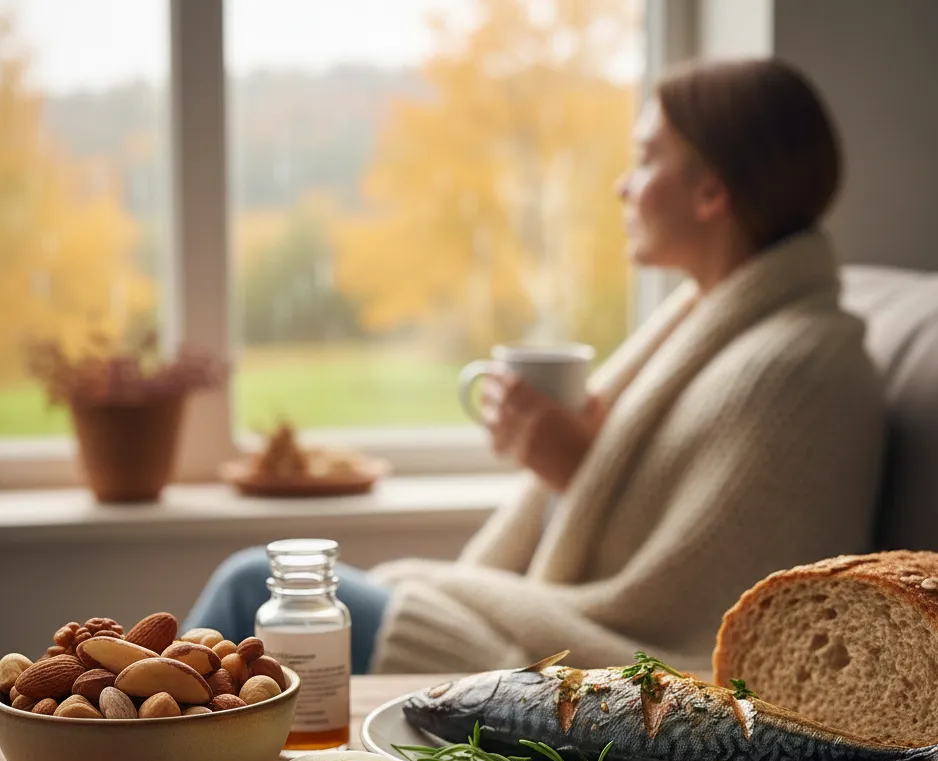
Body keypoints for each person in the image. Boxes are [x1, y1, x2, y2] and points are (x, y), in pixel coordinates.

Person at [185, 57, 886, 674]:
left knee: (256, 586)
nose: (622, 185)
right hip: (557, 635)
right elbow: (646, 526)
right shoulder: (707, 327)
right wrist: (567, 467)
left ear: (710, 193)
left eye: (645, 159)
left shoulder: (801, 367)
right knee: (259, 594)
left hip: (593, 672)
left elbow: (689, 612)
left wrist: (573, 468)